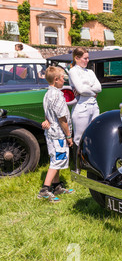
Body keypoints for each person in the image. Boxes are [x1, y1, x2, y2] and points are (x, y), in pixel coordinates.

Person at [38, 66, 74, 203]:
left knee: (56, 158)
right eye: (63, 78)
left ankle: (56, 186)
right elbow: (62, 118)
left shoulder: (48, 93)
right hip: (58, 134)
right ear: (56, 79)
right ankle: (45, 190)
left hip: (50, 132)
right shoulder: (57, 95)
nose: (64, 80)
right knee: (57, 160)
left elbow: (49, 113)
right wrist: (68, 135)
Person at [68, 48, 102, 153]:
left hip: (94, 106)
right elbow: (81, 89)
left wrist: (86, 89)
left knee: (94, 133)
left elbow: (99, 88)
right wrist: (92, 92)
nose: (87, 61)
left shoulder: (90, 72)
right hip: (81, 106)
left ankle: (90, 159)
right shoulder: (73, 71)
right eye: (85, 58)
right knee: (79, 137)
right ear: (77, 58)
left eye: (88, 58)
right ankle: (77, 165)